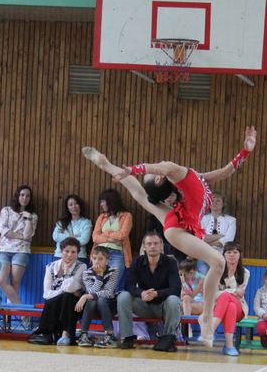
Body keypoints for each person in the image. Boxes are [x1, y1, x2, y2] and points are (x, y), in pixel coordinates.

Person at [82, 125, 256, 347]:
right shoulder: (176, 171)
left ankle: (105, 163)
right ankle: (206, 318)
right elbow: (162, 167)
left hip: (183, 224)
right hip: (177, 229)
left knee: (140, 196)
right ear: (159, 179)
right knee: (219, 262)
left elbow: (226, 171)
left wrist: (246, 151)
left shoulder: (195, 177)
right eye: (156, 172)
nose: (160, 166)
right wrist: (135, 169)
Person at [115, 230, 182, 352]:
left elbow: (176, 289)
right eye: (149, 244)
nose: (152, 246)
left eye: (156, 243)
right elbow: (128, 285)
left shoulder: (170, 263)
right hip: (143, 305)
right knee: (123, 296)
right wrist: (141, 293)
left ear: (161, 246)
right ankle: (127, 337)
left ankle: (168, 338)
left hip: (164, 307)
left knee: (174, 300)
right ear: (144, 247)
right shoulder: (137, 261)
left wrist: (156, 294)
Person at [28, 237, 86, 346]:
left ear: (78, 253)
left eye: (73, 252)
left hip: (74, 305)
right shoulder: (51, 267)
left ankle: (64, 335)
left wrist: (67, 273)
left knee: (68, 297)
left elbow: (70, 288)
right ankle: (52, 334)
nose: (69, 255)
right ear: (61, 251)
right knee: (62, 297)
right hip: (54, 303)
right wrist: (61, 292)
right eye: (66, 251)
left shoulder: (81, 267)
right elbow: (46, 294)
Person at [0, 185, 38, 304]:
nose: (25, 198)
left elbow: (28, 235)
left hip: (22, 251)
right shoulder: (6, 210)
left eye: (28, 196)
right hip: (4, 249)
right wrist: (21, 237)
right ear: (17, 196)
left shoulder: (33, 216)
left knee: (15, 283)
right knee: (1, 280)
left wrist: (28, 219)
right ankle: (20, 307)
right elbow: (3, 230)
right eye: (22, 195)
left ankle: (11, 314)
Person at [209, 242, 250, 356]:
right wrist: (233, 291)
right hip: (218, 308)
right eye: (228, 252)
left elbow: (240, 294)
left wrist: (226, 292)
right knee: (230, 305)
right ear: (224, 255)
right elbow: (212, 294)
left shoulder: (245, 273)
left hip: (240, 309)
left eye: (235, 252)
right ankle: (229, 346)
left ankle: (210, 329)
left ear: (240, 255)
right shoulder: (216, 271)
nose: (232, 255)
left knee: (226, 297)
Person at [76, 245, 120, 349]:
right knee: (92, 300)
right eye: (94, 258)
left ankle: (110, 335)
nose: (97, 261)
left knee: (100, 300)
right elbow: (92, 292)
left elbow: (109, 293)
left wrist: (85, 296)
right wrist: (99, 276)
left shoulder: (113, 271)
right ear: (91, 259)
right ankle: (84, 335)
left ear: (107, 261)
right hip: (92, 308)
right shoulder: (86, 273)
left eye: (101, 259)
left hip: (109, 306)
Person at [92, 188, 133, 272]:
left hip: (116, 254)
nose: (101, 204)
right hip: (99, 254)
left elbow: (122, 235)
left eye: (103, 201)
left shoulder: (126, 216)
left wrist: (105, 234)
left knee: (114, 279)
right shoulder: (101, 217)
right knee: (99, 278)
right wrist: (111, 239)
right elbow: (95, 237)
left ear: (111, 201)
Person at [197, 194, 237, 275]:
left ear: (223, 204)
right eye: (212, 200)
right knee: (202, 279)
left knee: (219, 280)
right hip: (204, 255)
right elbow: (199, 238)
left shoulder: (231, 220)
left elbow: (228, 241)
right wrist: (220, 236)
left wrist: (206, 241)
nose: (214, 203)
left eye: (218, 201)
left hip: (222, 256)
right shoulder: (202, 219)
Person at [52, 194, 93, 264]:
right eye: (70, 205)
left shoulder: (86, 222)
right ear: (67, 208)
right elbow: (55, 236)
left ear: (80, 205)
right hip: (60, 255)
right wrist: (71, 237)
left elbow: (84, 240)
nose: (74, 206)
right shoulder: (61, 222)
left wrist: (64, 238)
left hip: (79, 256)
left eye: (76, 203)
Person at [179, 257, 205, 339]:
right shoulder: (185, 279)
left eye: (184, 275)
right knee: (176, 304)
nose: (182, 277)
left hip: (202, 305)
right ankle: (180, 331)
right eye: (181, 275)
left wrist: (183, 283)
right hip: (189, 304)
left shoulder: (201, 279)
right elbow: (181, 296)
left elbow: (193, 295)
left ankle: (187, 327)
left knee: (186, 298)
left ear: (191, 272)